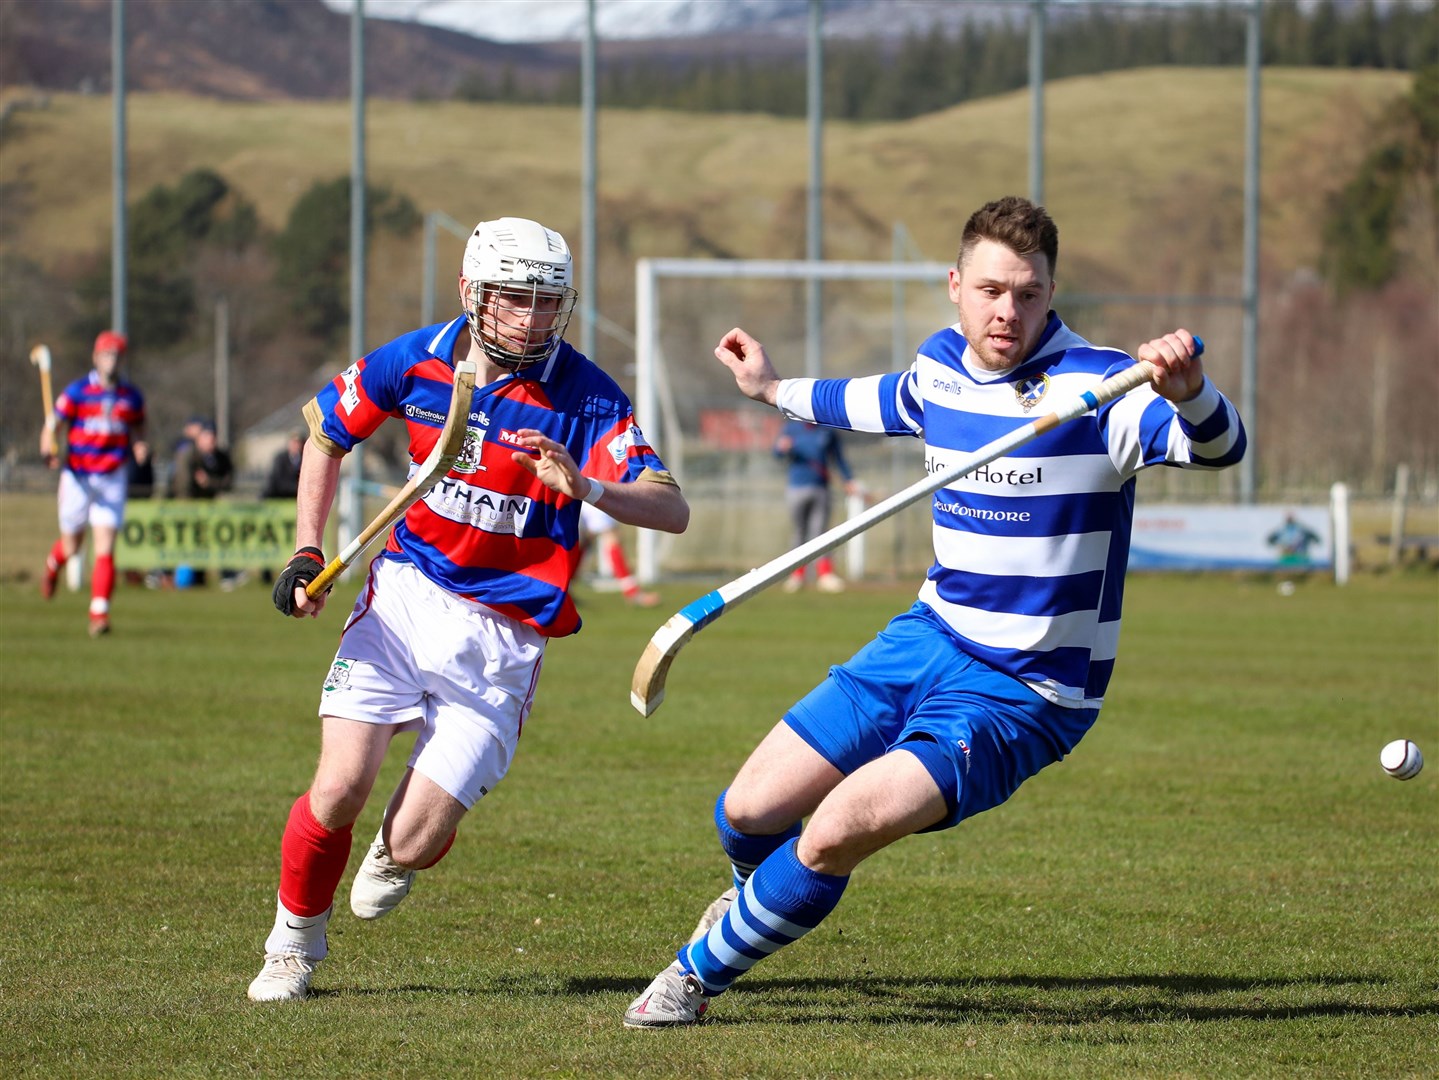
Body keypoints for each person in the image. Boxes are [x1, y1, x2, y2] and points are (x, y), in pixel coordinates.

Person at [623, 195, 1246, 1028]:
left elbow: (1222, 447)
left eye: (1028, 294)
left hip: (1027, 690)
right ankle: (755, 904)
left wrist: (1193, 392)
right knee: (746, 812)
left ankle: (691, 980)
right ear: (955, 286)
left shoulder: (1102, 388)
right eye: (990, 290)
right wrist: (770, 386)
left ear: (1051, 291)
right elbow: (869, 399)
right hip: (924, 640)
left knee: (837, 828)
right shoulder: (939, 369)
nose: (1007, 312)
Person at [247, 216, 689, 1003]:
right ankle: (292, 944)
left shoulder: (586, 395)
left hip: (502, 642)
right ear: (471, 294)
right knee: (339, 786)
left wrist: (587, 487)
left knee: (412, 843)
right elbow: (323, 436)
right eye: (514, 298)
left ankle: (401, 847)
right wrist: (306, 551)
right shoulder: (413, 361)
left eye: (548, 301)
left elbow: (669, 507)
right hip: (403, 603)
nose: (532, 316)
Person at [39, 330, 148, 637]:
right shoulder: (76, 392)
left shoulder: (131, 396)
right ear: (96, 357)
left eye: (116, 356)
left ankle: (99, 613)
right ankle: (52, 565)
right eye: (106, 355)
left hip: (112, 475)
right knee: (73, 547)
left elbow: (140, 426)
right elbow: (51, 428)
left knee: (105, 548)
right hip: (78, 476)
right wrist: (48, 449)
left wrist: (140, 445)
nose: (112, 361)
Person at [773, 418, 859, 593]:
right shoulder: (791, 428)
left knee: (820, 534)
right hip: (796, 487)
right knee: (799, 532)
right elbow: (777, 453)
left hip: (821, 488)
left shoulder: (827, 429)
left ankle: (825, 574)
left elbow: (838, 458)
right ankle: (797, 575)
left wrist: (848, 479)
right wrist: (781, 448)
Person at [579, 500, 659, 607]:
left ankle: (564, 590)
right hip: (592, 489)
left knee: (584, 539)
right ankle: (632, 592)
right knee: (611, 536)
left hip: (582, 491)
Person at [181, 423, 234, 500]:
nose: (210, 440)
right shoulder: (188, 456)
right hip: (188, 503)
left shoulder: (222, 458)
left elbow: (227, 482)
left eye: (213, 436)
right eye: (206, 436)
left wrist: (209, 482)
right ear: (199, 438)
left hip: (208, 503)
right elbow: (183, 485)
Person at [262, 431, 306, 500]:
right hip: (279, 493)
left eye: (298, 443)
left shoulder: (305, 458)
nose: (296, 445)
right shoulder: (281, 458)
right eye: (294, 442)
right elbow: (277, 479)